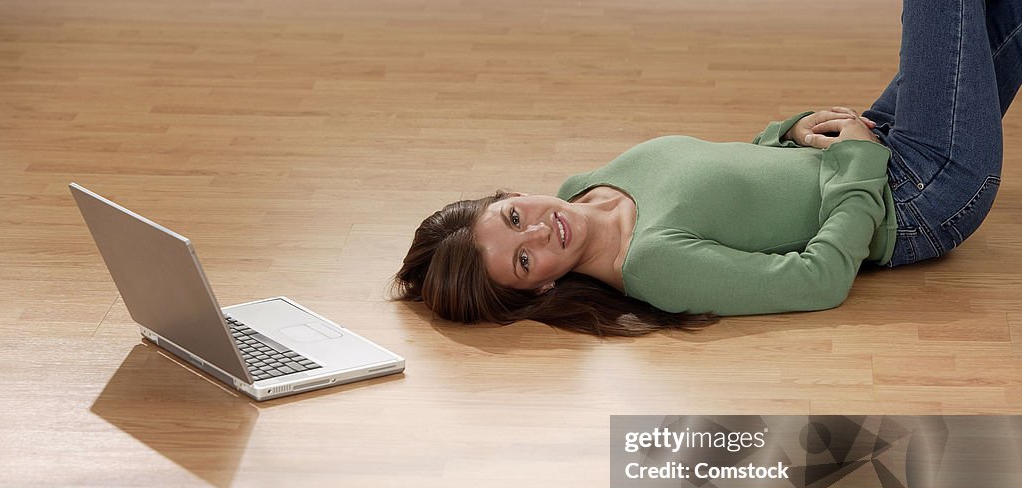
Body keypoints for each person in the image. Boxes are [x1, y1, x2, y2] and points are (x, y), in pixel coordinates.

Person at [394, 1, 1022, 336]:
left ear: (511, 194)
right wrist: (858, 166)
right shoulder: (653, 266)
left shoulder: (581, 188)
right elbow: (816, 282)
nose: (538, 230)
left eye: (512, 217)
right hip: (917, 195)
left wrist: (788, 132)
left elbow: (733, 179)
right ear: (539, 288)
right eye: (524, 259)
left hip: (871, 149)